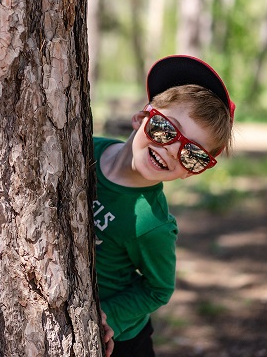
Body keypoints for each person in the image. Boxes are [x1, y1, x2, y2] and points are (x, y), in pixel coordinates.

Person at [93, 55, 235, 357]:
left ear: (190, 171)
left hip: (123, 343)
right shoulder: (86, 148)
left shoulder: (152, 225)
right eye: (165, 129)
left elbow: (158, 289)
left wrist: (107, 316)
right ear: (141, 117)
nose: (171, 150)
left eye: (192, 155)